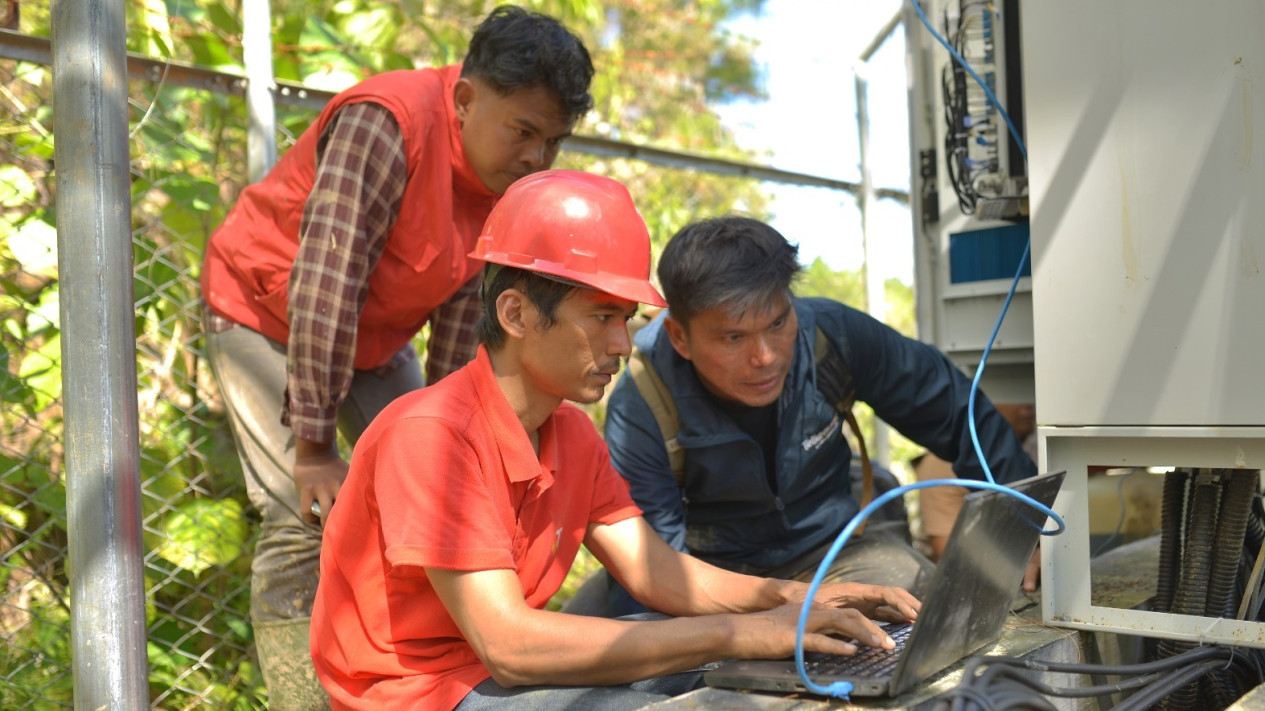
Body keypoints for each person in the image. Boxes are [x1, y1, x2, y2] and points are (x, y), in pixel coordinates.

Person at [309, 171, 921, 710]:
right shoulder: (432, 436)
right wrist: (746, 631)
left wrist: (805, 598)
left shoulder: (570, 430)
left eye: (625, 320)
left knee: (765, 682)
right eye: (601, 317)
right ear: (517, 315)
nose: (624, 345)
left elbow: (658, 575)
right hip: (422, 694)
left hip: (494, 679)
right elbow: (511, 647)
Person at [200, 7, 594, 707]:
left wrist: (459, 449)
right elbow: (325, 286)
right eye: (524, 132)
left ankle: (422, 680)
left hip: (372, 337)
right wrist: (315, 445)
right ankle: (304, 698)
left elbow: (458, 332)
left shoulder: (500, 182)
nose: (536, 158)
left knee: (442, 485)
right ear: (465, 99)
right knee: (302, 514)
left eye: (553, 141)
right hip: (268, 316)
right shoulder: (387, 124)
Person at [599, 216, 1037, 617]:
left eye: (777, 323)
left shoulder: (832, 336)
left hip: (833, 552)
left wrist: (1021, 527)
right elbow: (659, 570)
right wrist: (762, 622)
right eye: (734, 337)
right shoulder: (644, 400)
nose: (766, 357)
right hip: (710, 575)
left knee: (920, 614)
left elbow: (956, 411)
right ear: (680, 338)